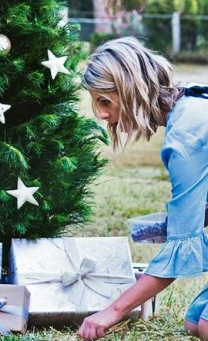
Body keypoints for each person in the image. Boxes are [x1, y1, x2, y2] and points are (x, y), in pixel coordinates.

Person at [77, 36, 208, 340]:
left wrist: (113, 311)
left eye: (105, 101)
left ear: (131, 91)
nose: (101, 115)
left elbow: (182, 246)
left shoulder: (186, 137)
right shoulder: (190, 104)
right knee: (193, 323)